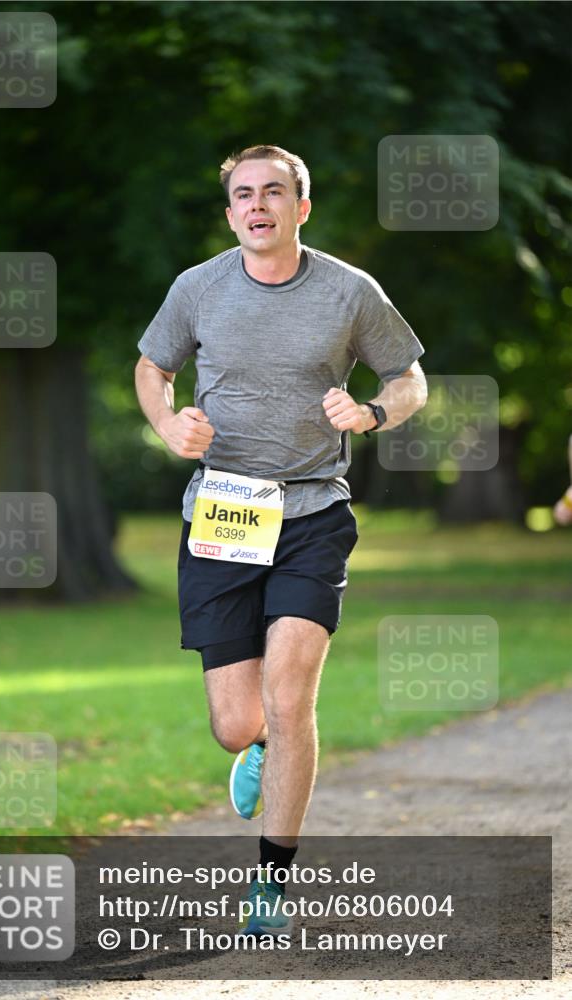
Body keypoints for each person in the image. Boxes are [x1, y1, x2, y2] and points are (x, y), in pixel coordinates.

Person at [134, 144, 427, 937]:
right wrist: (167, 424)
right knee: (237, 722)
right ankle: (256, 743)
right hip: (223, 514)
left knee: (291, 697)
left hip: (312, 513)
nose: (256, 204)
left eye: (272, 192)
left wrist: (372, 413)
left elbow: (408, 377)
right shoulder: (197, 288)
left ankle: (270, 881)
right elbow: (152, 368)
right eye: (242, 194)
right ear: (230, 212)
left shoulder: (348, 290)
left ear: (301, 207)